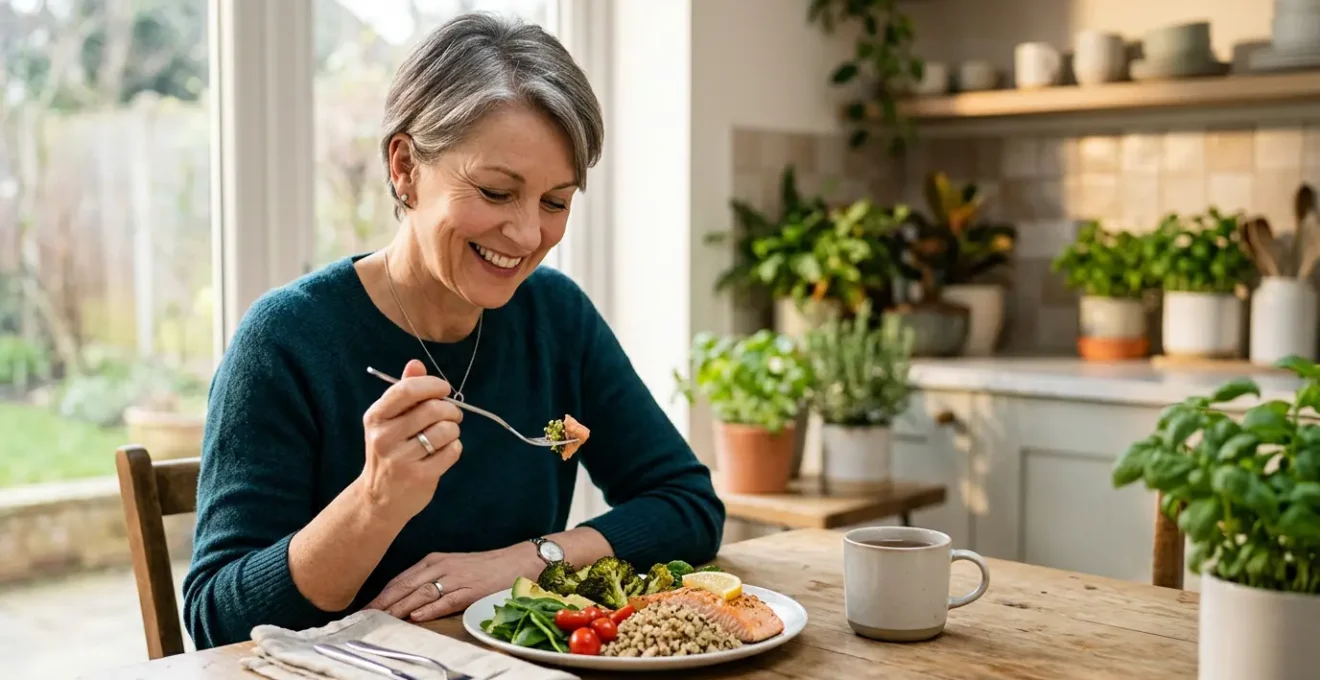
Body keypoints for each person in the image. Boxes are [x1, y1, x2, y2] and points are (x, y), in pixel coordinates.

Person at [182, 12, 725, 649]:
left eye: (555, 202)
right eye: (497, 193)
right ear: (406, 166)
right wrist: (378, 500)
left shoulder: (556, 316)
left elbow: (688, 506)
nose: (527, 236)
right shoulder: (287, 340)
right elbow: (215, 621)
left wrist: (531, 559)